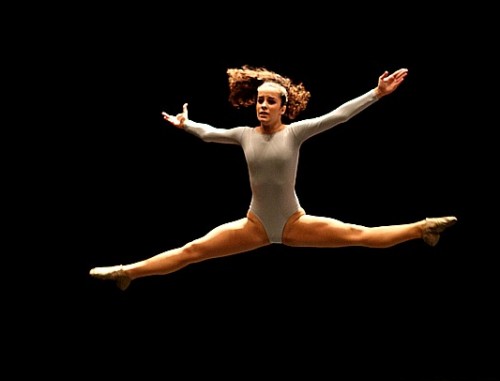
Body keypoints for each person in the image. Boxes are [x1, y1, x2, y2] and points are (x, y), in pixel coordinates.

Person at [90, 65, 457, 291]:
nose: (263, 106)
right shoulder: (243, 135)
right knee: (191, 251)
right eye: (259, 101)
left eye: (270, 101)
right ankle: (126, 273)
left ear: (284, 107)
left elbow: (339, 115)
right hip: (254, 225)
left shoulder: (294, 133)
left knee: (358, 234)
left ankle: (423, 228)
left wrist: (376, 93)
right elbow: (209, 134)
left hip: (294, 222)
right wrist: (187, 124)